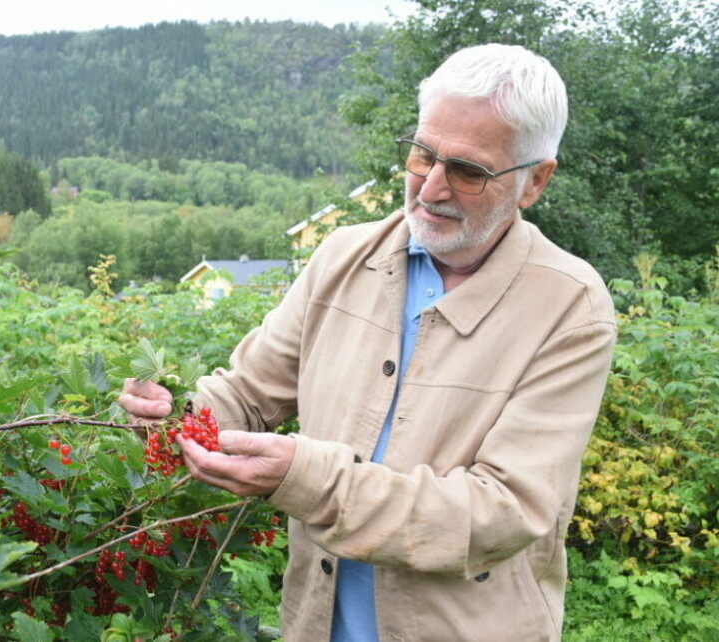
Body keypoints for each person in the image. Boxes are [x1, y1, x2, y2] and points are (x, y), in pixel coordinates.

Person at [120, 43, 617, 642]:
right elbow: (247, 395)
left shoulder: (569, 306)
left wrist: (309, 479)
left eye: (468, 171)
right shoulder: (343, 257)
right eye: (422, 154)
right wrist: (175, 412)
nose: (431, 188)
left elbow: (502, 513)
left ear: (535, 180)